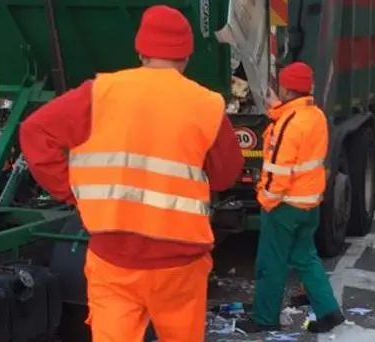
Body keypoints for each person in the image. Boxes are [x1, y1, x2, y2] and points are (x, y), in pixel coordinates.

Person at [18, 5, 244, 342]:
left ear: (141, 51)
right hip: (180, 264)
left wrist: (72, 191)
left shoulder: (99, 93)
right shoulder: (206, 104)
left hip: (113, 258)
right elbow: (226, 175)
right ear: (186, 56)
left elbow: (35, 132)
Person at [237, 62, 345, 333]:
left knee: (271, 263)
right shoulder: (315, 115)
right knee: (305, 257)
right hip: (309, 204)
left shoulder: (287, 123)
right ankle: (329, 311)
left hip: (283, 205)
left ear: (285, 88)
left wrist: (265, 200)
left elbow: (278, 170)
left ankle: (265, 318)